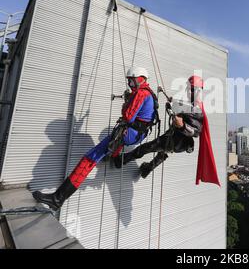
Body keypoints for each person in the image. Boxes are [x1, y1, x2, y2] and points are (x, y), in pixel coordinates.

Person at [32, 67, 157, 210]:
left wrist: (126, 103)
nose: (131, 85)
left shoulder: (141, 94)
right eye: (129, 82)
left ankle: (57, 198)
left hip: (129, 133)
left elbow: (128, 116)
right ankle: (113, 156)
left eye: (133, 82)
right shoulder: (151, 94)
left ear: (141, 79)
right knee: (115, 142)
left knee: (89, 158)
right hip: (138, 135)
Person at [112, 76, 220, 187]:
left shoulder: (198, 110)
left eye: (191, 89)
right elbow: (183, 107)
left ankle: (121, 160)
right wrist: (173, 102)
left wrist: (183, 126)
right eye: (188, 88)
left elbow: (196, 132)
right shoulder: (191, 104)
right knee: (162, 152)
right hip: (174, 137)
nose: (188, 91)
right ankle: (147, 168)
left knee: (147, 148)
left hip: (177, 141)